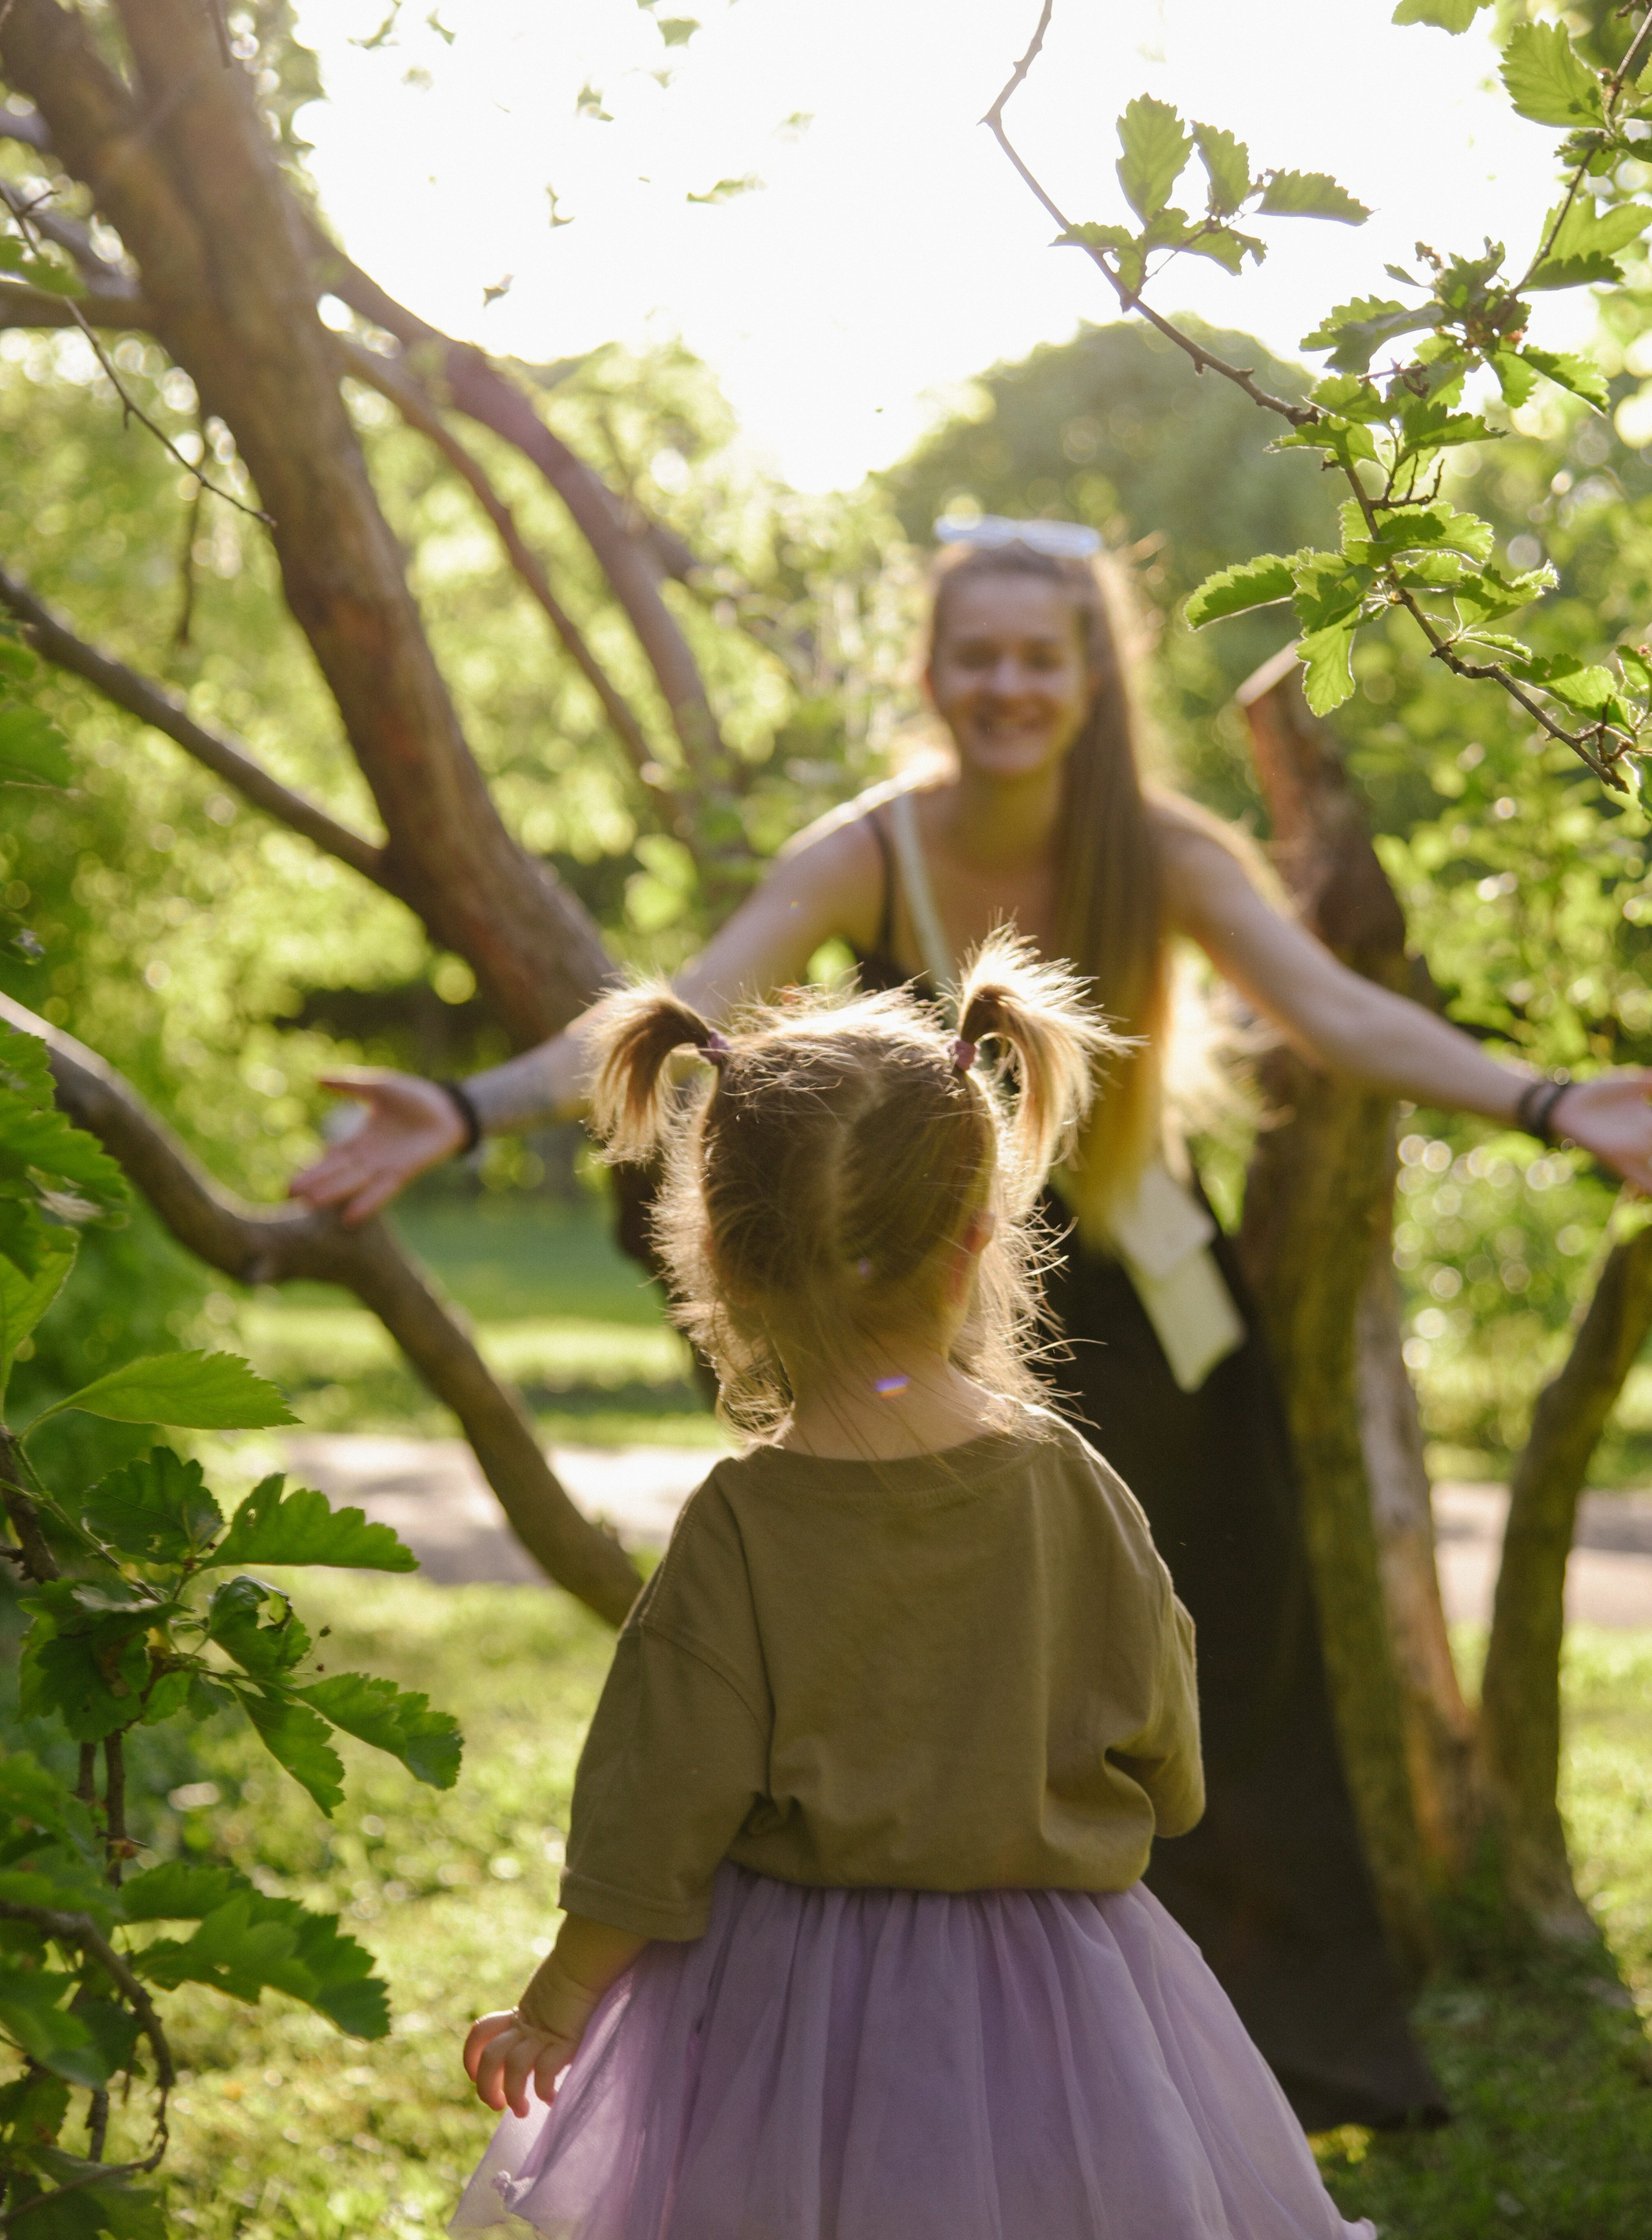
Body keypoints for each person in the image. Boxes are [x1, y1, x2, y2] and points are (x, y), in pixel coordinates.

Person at [294, 521, 1652, 2131]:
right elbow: (684, 1010)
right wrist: (456, 1110)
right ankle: (915, 2034)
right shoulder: (878, 843)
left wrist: (1554, 1100)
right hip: (887, 1288)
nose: (1007, 683)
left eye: (1040, 655)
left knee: (1202, 1662)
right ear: (928, 670)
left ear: (1090, 678)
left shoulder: (1158, 848)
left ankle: (1244, 2061)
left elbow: (1331, 1007)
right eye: (977, 654)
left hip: (1139, 1314)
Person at [450, 942, 1375, 2240]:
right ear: (979, 1240)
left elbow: (654, 1810)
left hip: (791, 2000)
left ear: (715, 1250)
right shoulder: (1067, 1480)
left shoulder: (741, 1526)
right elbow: (1164, 1737)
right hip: (1063, 1991)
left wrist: (557, 2001)